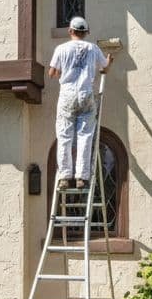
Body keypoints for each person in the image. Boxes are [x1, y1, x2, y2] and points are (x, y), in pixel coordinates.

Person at [48, 16, 113, 189]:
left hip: (67, 95)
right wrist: (109, 61)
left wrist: (62, 73)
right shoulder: (93, 48)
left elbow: (52, 73)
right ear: (86, 33)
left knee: (64, 135)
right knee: (85, 135)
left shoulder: (61, 49)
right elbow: (104, 67)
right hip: (86, 94)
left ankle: (64, 176)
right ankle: (81, 178)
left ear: (70, 31)